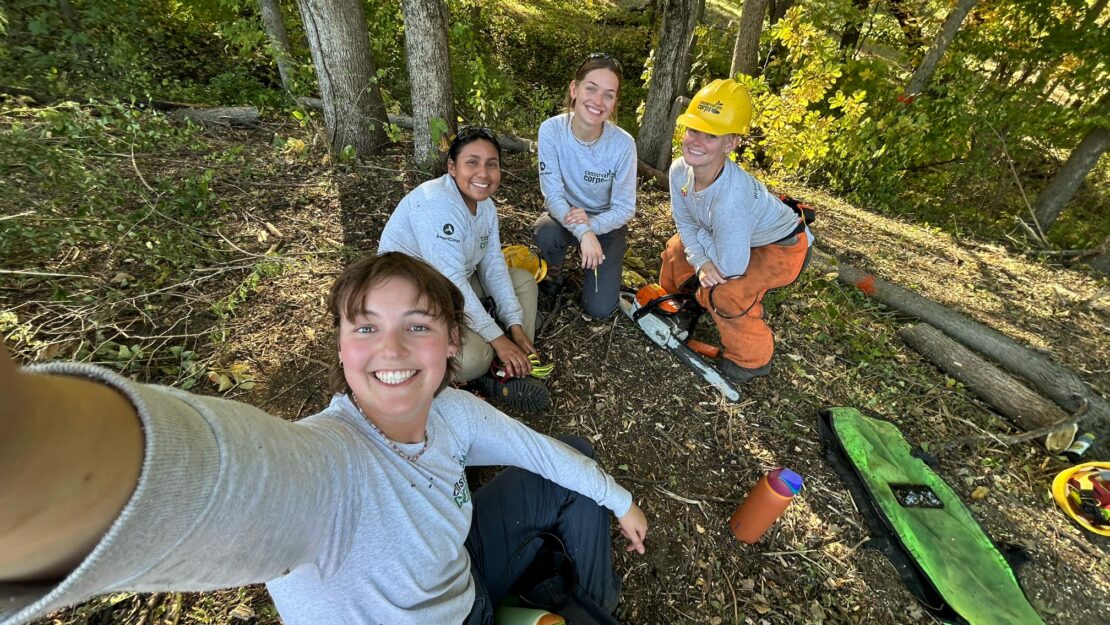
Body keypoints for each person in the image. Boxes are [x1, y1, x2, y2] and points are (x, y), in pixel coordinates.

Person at [0, 252, 648, 625]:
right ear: (341, 347)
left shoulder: (453, 412)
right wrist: (33, 450)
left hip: (465, 573)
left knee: (579, 463)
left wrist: (621, 500)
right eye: (364, 327)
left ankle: (598, 607)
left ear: (455, 342)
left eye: (417, 325)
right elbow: (206, 479)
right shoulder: (322, 468)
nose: (389, 347)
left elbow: (535, 451)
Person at [379, 127, 547, 410]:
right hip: (415, 301)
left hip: (454, 287)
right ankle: (489, 364)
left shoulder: (487, 207)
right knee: (473, 358)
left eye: (491, 164)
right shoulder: (436, 204)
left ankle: (511, 358)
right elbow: (451, 281)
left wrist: (515, 327)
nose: (483, 173)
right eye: (472, 162)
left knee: (523, 280)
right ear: (452, 167)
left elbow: (493, 264)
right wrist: (496, 337)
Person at [661, 79, 813, 383]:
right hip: (729, 237)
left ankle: (751, 359)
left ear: (731, 143)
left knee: (725, 291)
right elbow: (686, 223)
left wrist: (705, 261)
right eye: (693, 130)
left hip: (781, 248)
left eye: (711, 135)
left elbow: (731, 267)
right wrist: (701, 260)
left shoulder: (731, 198)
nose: (695, 141)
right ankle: (676, 306)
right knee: (677, 251)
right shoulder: (679, 170)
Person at [534, 53, 637, 319]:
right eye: (591, 88)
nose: (598, 101)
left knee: (600, 310)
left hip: (605, 224)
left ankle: (595, 268)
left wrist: (593, 228)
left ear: (614, 103)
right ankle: (553, 269)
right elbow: (553, 196)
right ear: (574, 89)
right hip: (567, 216)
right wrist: (583, 232)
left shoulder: (623, 145)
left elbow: (625, 208)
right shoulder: (551, 131)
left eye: (609, 94)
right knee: (545, 231)